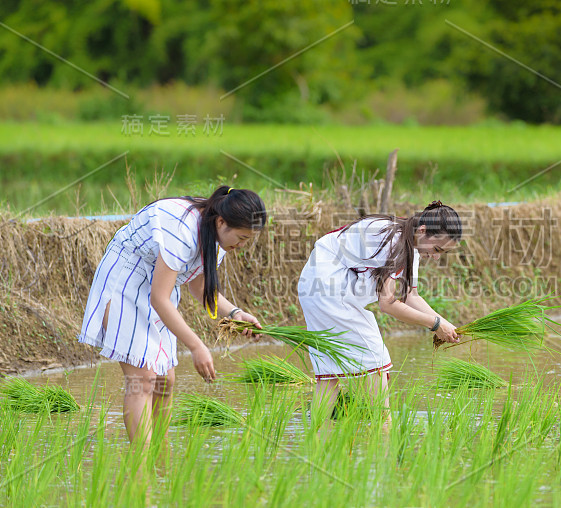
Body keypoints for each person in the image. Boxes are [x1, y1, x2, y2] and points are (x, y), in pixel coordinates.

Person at [78, 185, 266, 444]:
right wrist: (197, 346)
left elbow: (199, 286)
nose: (242, 245)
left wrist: (235, 312)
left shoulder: (217, 237)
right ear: (222, 221)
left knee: (165, 379)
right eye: (242, 238)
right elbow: (159, 298)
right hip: (127, 280)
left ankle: (160, 456)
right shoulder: (182, 229)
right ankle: (141, 469)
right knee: (143, 378)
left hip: (157, 284)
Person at [297, 200, 462, 423]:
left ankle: (318, 437)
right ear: (423, 231)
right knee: (374, 358)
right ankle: (383, 432)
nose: (435, 256)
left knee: (330, 372)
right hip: (327, 289)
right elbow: (388, 303)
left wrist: (444, 323)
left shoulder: (408, 240)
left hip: (318, 288)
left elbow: (411, 296)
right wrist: (434, 324)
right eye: (437, 249)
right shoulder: (394, 240)